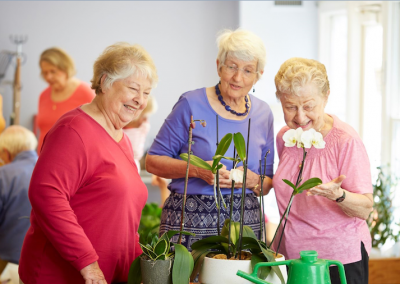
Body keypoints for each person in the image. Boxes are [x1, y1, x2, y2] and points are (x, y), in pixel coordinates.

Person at [19, 42, 158, 284]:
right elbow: (46, 194)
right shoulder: (73, 130)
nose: (140, 100)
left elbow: (124, 219)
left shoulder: (122, 139)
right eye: (133, 89)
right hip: (63, 276)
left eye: (146, 93)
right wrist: (89, 266)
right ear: (105, 82)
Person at [146, 29, 274, 249]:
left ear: (258, 75)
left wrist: (252, 181)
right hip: (189, 223)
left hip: (246, 226)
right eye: (231, 66)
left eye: (247, 70)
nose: (237, 77)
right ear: (219, 66)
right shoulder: (190, 104)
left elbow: (267, 183)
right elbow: (153, 161)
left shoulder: (263, 113)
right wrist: (199, 170)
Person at [273, 57, 373, 284]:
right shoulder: (285, 138)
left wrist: (338, 195)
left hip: (338, 262)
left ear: (326, 96)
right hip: (292, 259)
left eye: (308, 106)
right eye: (290, 107)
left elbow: (365, 208)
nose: (300, 117)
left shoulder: (345, 141)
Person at [36, 47, 95, 154]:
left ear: (65, 68)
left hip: (73, 159)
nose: (48, 77)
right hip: (44, 158)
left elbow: (98, 131)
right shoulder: (43, 96)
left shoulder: (86, 93)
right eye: (45, 73)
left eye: (53, 71)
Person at [0, 126, 37, 274]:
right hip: (44, 262)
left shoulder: (3, 175)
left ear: (6, 153)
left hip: (8, 261)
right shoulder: (54, 170)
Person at [123, 95, 157, 172]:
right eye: (144, 116)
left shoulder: (142, 128)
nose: (146, 119)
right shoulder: (120, 131)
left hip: (133, 168)